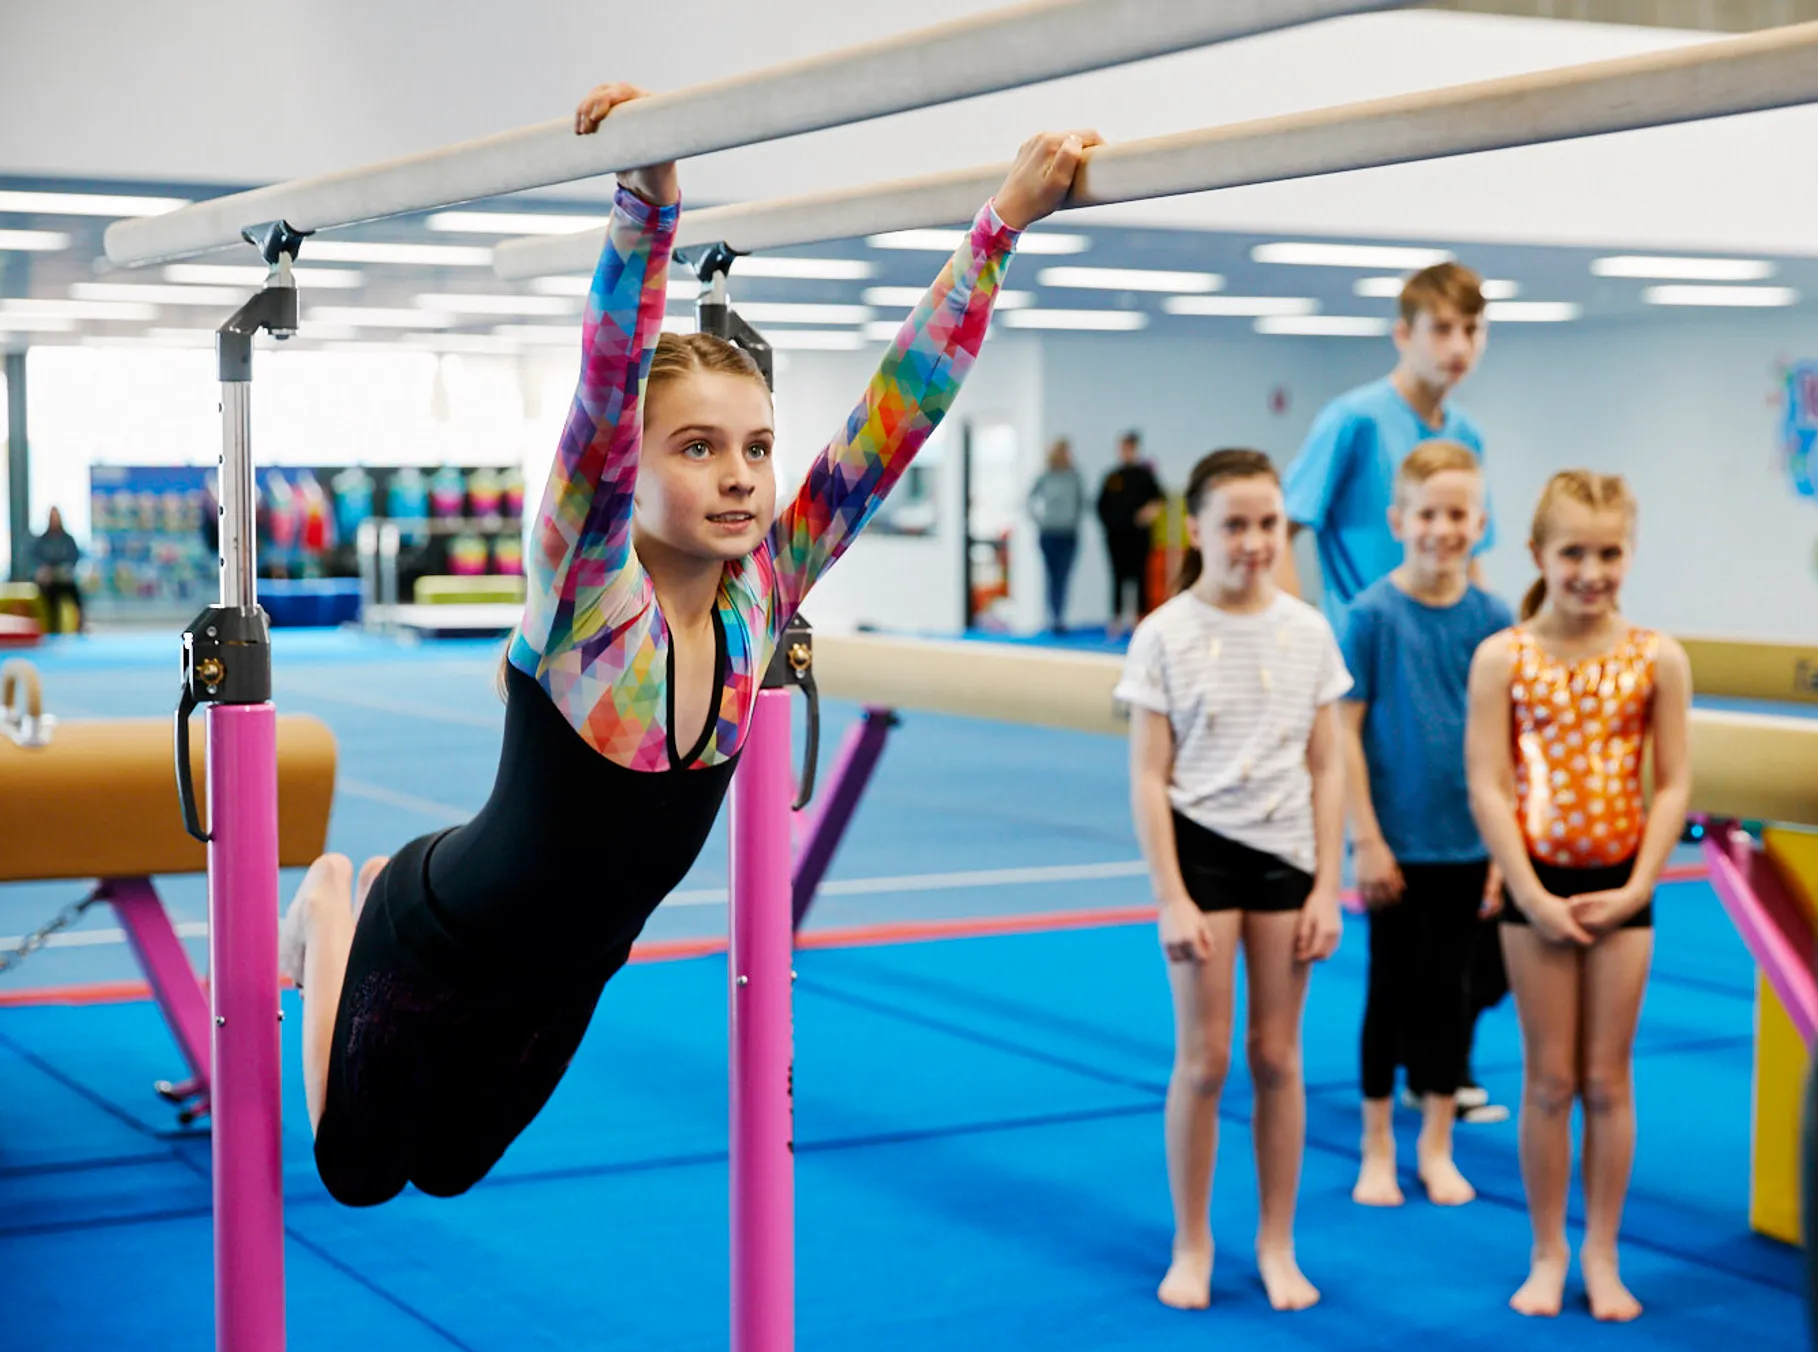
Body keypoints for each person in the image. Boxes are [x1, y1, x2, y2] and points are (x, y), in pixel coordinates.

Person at [277, 80, 1096, 1208]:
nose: (740, 477)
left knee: (452, 1171)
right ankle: (335, 904)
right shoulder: (582, 599)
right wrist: (647, 207)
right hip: (442, 937)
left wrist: (995, 231)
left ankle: (349, 914)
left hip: (570, 978)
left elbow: (894, 418)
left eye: (756, 449)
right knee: (358, 1175)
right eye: (698, 449)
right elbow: (603, 395)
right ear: (634, 472)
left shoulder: (768, 588)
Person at [1115, 448, 1349, 1314]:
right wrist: (1170, 892)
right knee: (1206, 1060)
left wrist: (1328, 884)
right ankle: (1192, 1239)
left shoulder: (1309, 632)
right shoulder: (1165, 632)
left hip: (1286, 855)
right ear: (1198, 529)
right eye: (1236, 525)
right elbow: (1147, 775)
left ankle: (1278, 1239)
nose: (1255, 542)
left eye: (1268, 526)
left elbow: (1329, 765)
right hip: (1202, 849)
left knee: (1280, 1057)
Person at [1279, 260, 1506, 1123]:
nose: (1459, 347)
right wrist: (1303, 635)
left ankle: (1438, 1061)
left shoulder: (1470, 436)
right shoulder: (1353, 422)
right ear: (1402, 332)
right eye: (1443, 329)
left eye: (1473, 331)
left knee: (1470, 885)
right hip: (1366, 654)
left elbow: (1472, 547)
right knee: (1400, 883)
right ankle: (1418, 1063)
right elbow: (1290, 523)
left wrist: (1491, 640)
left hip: (1444, 652)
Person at [1464, 470, 1693, 1322]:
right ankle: (1547, 1248)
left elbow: (1673, 784)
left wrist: (1641, 880)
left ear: (1629, 553)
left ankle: (1601, 1248)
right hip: (1537, 887)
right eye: (1573, 552)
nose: (1591, 571)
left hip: (1622, 883)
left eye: (1609, 552)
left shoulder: (1656, 656)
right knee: (1549, 1079)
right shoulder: (1505, 655)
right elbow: (1488, 783)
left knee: (1607, 1079)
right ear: (1537, 554)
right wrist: (1525, 887)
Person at [1340, 442, 1512, 1211]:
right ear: (1397, 520)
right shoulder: (1372, 616)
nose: (1443, 528)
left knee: (1451, 994)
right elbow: (1344, 732)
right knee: (1389, 992)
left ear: (1479, 522)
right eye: (1428, 514)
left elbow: (1509, 740)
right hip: (1397, 843)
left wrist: (1506, 849)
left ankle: (1435, 1142)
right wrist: (1366, 837)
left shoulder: (1494, 619)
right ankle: (1377, 1144)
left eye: (1458, 514)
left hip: (1469, 840)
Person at [1097, 430, 1164, 636]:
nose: (1124, 451)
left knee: (1140, 577)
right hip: (1116, 538)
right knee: (1117, 578)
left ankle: (1139, 619)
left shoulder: (1145, 475)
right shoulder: (1112, 476)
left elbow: (1159, 499)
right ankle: (1116, 619)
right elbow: (1101, 506)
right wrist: (1112, 525)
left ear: (1134, 448)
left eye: (1128, 447)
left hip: (1139, 538)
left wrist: (1148, 513)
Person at [1027, 439, 1084, 634]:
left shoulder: (1074, 476)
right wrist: (1039, 521)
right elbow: (1029, 499)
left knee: (1063, 577)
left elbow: (1081, 501)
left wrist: (1074, 521)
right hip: (1049, 533)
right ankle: (1053, 618)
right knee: (1051, 578)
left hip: (1068, 534)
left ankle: (1061, 617)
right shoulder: (1046, 475)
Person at [30, 508, 84, 634]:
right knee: (49, 597)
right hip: (48, 581)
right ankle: (53, 629)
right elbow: (35, 560)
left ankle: (80, 625)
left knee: (76, 594)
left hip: (64, 579)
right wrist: (42, 572)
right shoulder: (41, 540)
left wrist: (65, 570)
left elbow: (74, 558)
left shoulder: (68, 539)